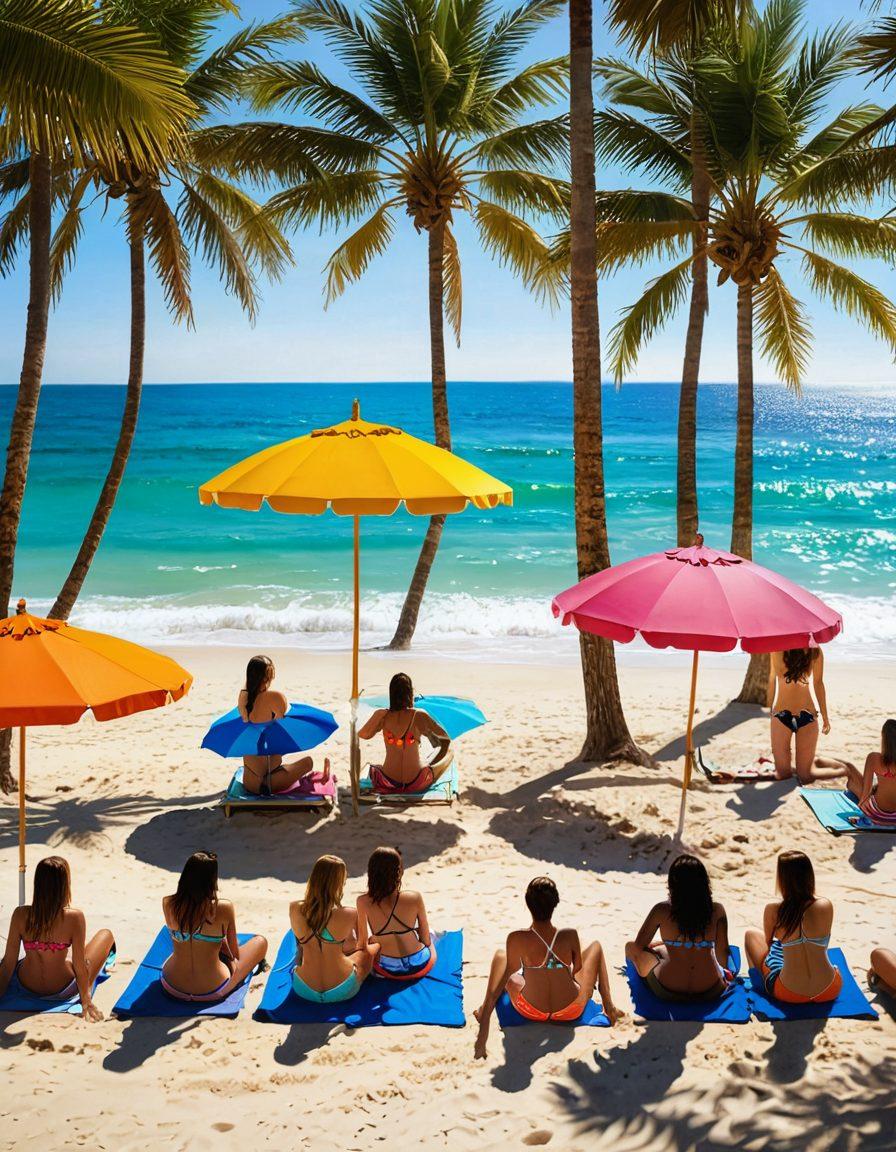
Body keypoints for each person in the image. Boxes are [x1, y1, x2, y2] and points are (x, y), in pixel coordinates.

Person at [473, 876, 620, 1059]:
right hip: (571, 1010)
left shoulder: (517, 938)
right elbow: (577, 970)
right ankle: (610, 1009)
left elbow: (501, 984)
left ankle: (481, 1009)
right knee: (595, 947)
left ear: (528, 904)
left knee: (501, 959)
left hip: (531, 1010)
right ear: (555, 903)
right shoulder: (569, 935)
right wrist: (556, 967)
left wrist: (482, 1039)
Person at [0, 856, 114, 1021]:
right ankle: (85, 985)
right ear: (64, 885)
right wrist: (85, 999)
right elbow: (79, 966)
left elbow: (8, 964)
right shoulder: (74, 917)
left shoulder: (20, 914)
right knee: (105, 934)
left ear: (37, 884)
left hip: (27, 985)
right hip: (61, 989)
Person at [161, 851, 267, 1002]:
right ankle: (232, 984)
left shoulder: (168, 903)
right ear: (212, 879)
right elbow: (234, 954)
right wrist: (222, 948)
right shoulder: (223, 907)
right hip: (212, 989)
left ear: (185, 876)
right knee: (260, 942)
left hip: (171, 985)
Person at [625, 854, 733, 1001]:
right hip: (709, 989)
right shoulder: (717, 910)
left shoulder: (661, 910)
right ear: (704, 883)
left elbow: (638, 947)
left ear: (672, 883)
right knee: (695, 952)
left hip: (668, 989)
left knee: (630, 947)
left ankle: (665, 950)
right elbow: (723, 955)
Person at [745, 850, 842, 1004]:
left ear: (782, 879)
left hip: (789, 992)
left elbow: (769, 944)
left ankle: (759, 985)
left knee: (751, 935)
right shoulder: (825, 905)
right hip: (830, 988)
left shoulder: (774, 909)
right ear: (809, 875)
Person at [290, 855, 378, 1003]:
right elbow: (362, 947)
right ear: (339, 882)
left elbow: (300, 946)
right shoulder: (349, 913)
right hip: (341, 989)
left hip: (303, 988)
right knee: (371, 949)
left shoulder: (294, 908)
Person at [238, 654, 330, 795]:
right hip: (265, 784)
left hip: (249, 780)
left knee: (280, 759)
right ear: (268, 677)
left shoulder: (243, 697)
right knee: (308, 762)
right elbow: (286, 724)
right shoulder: (275, 697)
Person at [358, 672, 451, 793]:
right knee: (450, 754)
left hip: (388, 782)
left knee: (375, 768)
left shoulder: (382, 715)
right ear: (410, 693)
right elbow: (445, 737)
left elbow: (363, 735)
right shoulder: (419, 715)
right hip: (416, 783)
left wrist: (379, 717)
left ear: (391, 694)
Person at [356, 846, 436, 979]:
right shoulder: (414, 897)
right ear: (399, 872)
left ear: (371, 872)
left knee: (373, 940)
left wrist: (376, 940)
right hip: (419, 962)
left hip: (388, 967)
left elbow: (363, 946)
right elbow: (426, 940)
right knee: (431, 933)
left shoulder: (363, 901)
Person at [767, 648, 841, 783]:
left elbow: (818, 683)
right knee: (783, 773)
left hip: (807, 716)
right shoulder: (776, 649)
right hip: (780, 716)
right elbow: (772, 679)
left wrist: (825, 717)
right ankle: (814, 763)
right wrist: (769, 710)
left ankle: (842, 769)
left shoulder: (815, 650)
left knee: (805, 776)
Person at [815, 719, 896, 826]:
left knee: (850, 769)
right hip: (894, 817)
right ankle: (821, 761)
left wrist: (859, 816)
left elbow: (865, 795)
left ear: (884, 739)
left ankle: (819, 760)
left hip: (876, 814)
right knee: (853, 775)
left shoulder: (874, 758)